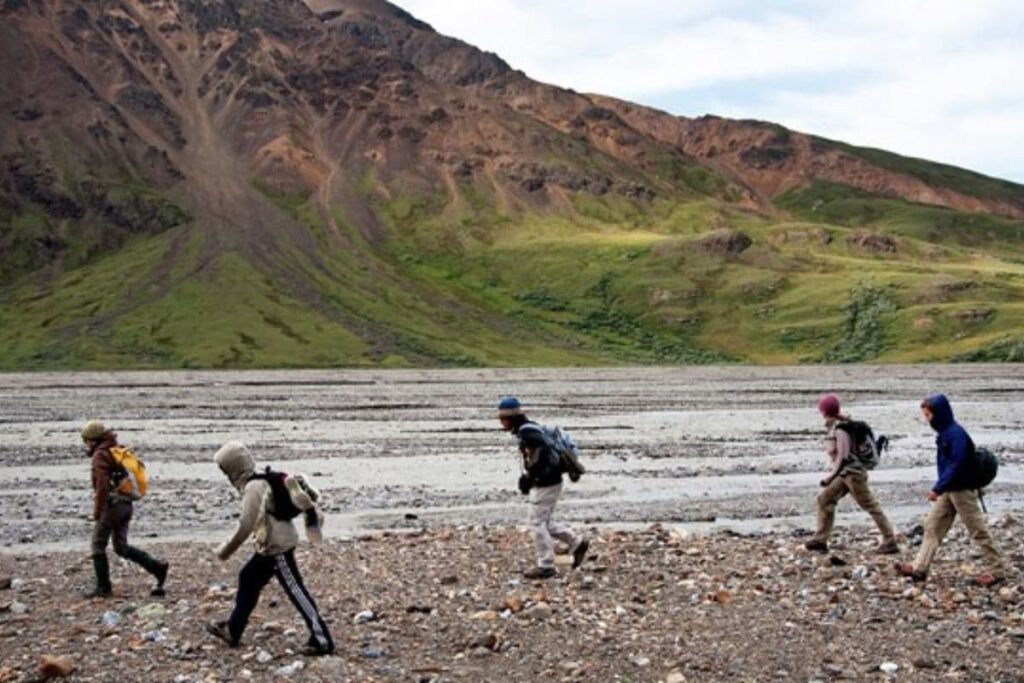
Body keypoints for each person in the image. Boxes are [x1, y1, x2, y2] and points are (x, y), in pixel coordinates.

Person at [206, 442, 334, 656]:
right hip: (270, 546)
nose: (224, 473)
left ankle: (323, 640)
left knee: (296, 591)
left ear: (233, 468)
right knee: (248, 578)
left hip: (277, 547)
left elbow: (245, 525)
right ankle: (233, 630)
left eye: (224, 468)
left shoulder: (253, 488)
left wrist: (224, 551)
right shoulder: (259, 481)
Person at [896, 394, 1010, 587]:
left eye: (928, 415)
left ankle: (997, 572)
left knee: (977, 531)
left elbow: (956, 464)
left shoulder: (955, 434)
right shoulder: (946, 433)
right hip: (951, 489)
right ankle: (920, 568)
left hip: (962, 490)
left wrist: (937, 488)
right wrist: (943, 486)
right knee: (932, 525)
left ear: (938, 414)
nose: (927, 419)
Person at [498, 397, 588, 579]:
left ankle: (546, 565)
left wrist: (529, 478)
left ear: (510, 417)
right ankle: (576, 542)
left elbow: (540, 459)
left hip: (545, 482)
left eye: (502, 418)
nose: (501, 423)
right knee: (545, 521)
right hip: (552, 481)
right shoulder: (530, 428)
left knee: (536, 523)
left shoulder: (528, 434)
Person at [81, 420, 168, 598]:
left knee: (98, 545)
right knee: (121, 547)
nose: (85, 444)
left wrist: (97, 512)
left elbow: (103, 487)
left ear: (93, 440)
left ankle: (103, 588)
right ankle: (157, 567)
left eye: (86, 440)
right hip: (126, 504)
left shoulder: (100, 456)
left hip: (111, 506)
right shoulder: (116, 450)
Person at [804, 395, 898, 555]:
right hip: (845, 474)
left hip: (853, 475)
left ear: (824, 411)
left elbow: (843, 456)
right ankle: (820, 540)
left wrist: (830, 477)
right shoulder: (837, 426)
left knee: (871, 506)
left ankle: (890, 540)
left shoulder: (841, 429)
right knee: (824, 499)